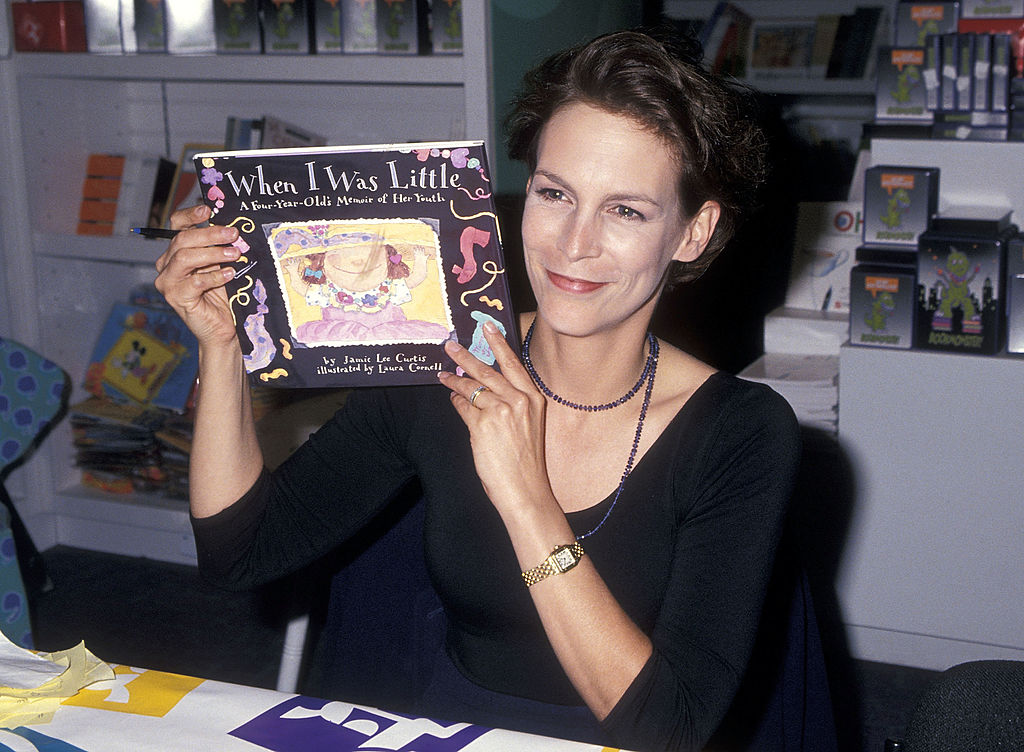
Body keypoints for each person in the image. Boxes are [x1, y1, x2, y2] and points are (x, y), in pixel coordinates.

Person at [155, 29, 802, 752]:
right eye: (556, 193)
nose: (574, 243)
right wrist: (221, 345)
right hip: (457, 731)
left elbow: (668, 728)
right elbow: (239, 554)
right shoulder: (444, 362)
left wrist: (525, 494)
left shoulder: (740, 431)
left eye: (626, 210)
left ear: (693, 231)